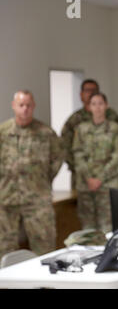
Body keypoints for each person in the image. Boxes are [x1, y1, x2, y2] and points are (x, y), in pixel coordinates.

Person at [0, 90, 63, 259]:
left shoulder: (45, 133)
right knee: (4, 246)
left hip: (37, 198)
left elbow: (57, 159)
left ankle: (43, 285)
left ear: (33, 107)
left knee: (44, 244)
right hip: (7, 199)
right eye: (21, 105)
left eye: (28, 105)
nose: (25, 109)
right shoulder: (3, 132)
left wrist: (42, 180)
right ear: (13, 106)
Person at [72, 93, 118, 233]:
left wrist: (100, 178)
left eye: (100, 103)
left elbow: (117, 155)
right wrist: (89, 178)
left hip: (108, 184)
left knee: (108, 226)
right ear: (89, 107)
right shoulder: (82, 129)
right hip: (86, 185)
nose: (97, 107)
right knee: (87, 227)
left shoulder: (114, 128)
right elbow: (77, 154)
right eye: (94, 104)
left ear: (106, 106)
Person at [61, 79, 118, 190]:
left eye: (94, 90)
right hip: (83, 177)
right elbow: (65, 146)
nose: (90, 93)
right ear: (81, 94)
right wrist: (80, 169)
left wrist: (104, 174)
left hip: (109, 177)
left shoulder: (112, 117)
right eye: (87, 90)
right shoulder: (75, 119)